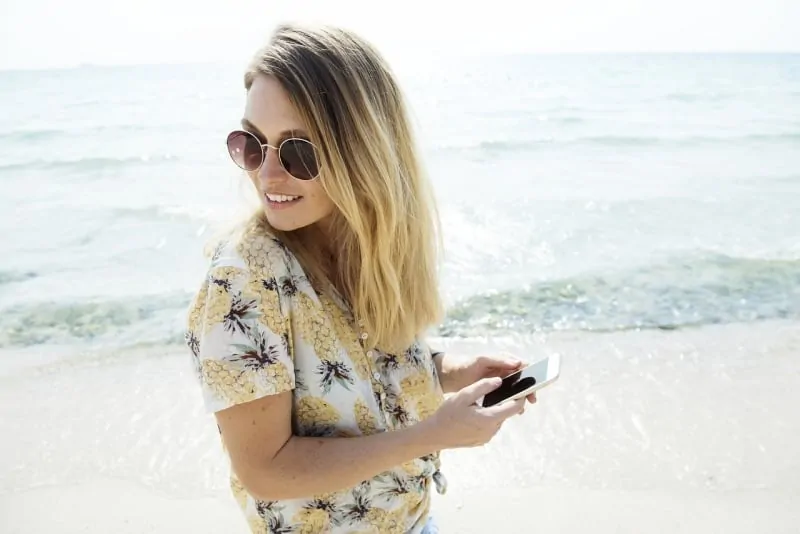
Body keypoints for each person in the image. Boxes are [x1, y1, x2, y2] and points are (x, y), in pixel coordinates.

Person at [184, 22, 537, 534]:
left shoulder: (356, 245)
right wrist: (433, 434)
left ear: (363, 150)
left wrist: (451, 371)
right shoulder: (242, 283)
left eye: (299, 151)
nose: (267, 175)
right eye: (253, 144)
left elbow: (355, 370)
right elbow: (266, 470)